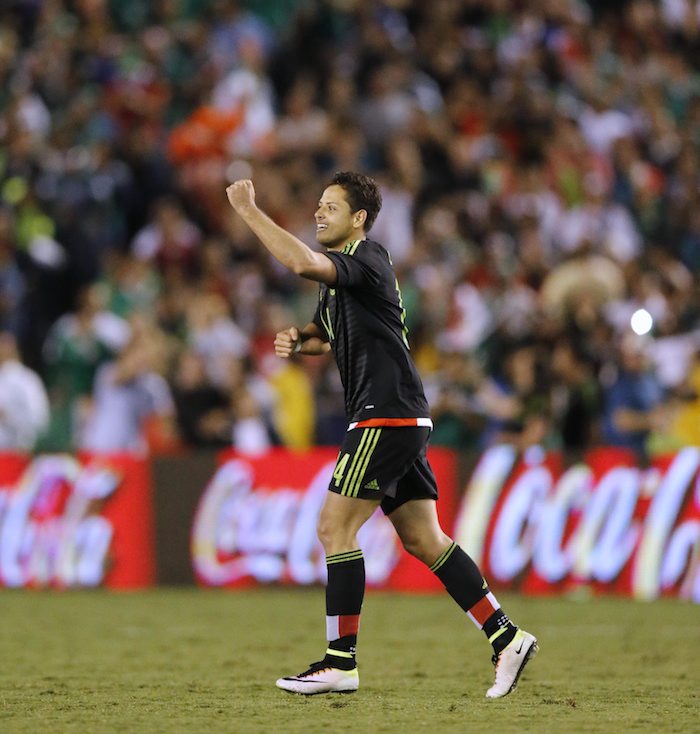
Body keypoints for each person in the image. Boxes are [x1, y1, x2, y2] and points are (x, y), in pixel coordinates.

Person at [225, 171, 538, 698]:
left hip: (382, 415)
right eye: (318, 205)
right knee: (424, 539)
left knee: (333, 529)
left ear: (358, 219)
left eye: (331, 206)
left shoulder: (368, 258)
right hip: (403, 415)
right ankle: (506, 637)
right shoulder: (347, 277)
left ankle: (338, 660)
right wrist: (301, 340)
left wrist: (250, 213)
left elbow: (301, 262)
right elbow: (329, 333)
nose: (319, 213)